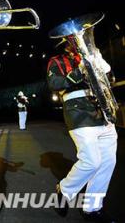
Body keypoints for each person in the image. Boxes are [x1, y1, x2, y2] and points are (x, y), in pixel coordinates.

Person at [47, 33, 118, 222]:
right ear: (66, 42)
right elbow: (55, 83)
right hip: (79, 114)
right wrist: (81, 69)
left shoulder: (93, 55)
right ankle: (64, 190)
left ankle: (93, 208)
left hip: (102, 112)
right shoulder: (57, 60)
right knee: (92, 161)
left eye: (83, 37)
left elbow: (109, 82)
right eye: (75, 38)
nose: (80, 41)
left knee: (107, 162)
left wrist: (103, 67)